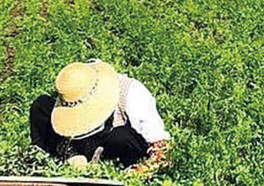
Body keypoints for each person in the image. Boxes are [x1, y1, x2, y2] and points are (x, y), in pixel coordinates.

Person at [30, 59, 170, 172]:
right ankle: (65, 155)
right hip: (82, 143)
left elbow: (162, 148)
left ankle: (117, 165)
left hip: (114, 144)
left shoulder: (133, 94)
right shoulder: (74, 89)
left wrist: (142, 171)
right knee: (41, 106)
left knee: (121, 137)